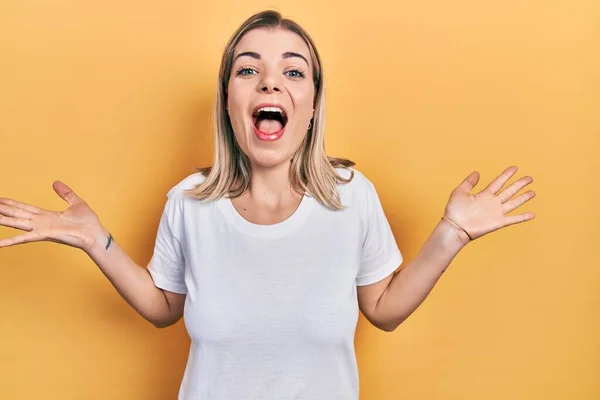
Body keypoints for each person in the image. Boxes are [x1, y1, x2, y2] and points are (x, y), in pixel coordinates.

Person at [0, 9, 536, 400]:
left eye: (293, 71)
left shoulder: (352, 197)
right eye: (248, 69)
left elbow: (384, 310)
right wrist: (97, 240)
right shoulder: (189, 204)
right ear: (230, 101)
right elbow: (165, 308)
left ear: (310, 106)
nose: (271, 81)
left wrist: (451, 234)